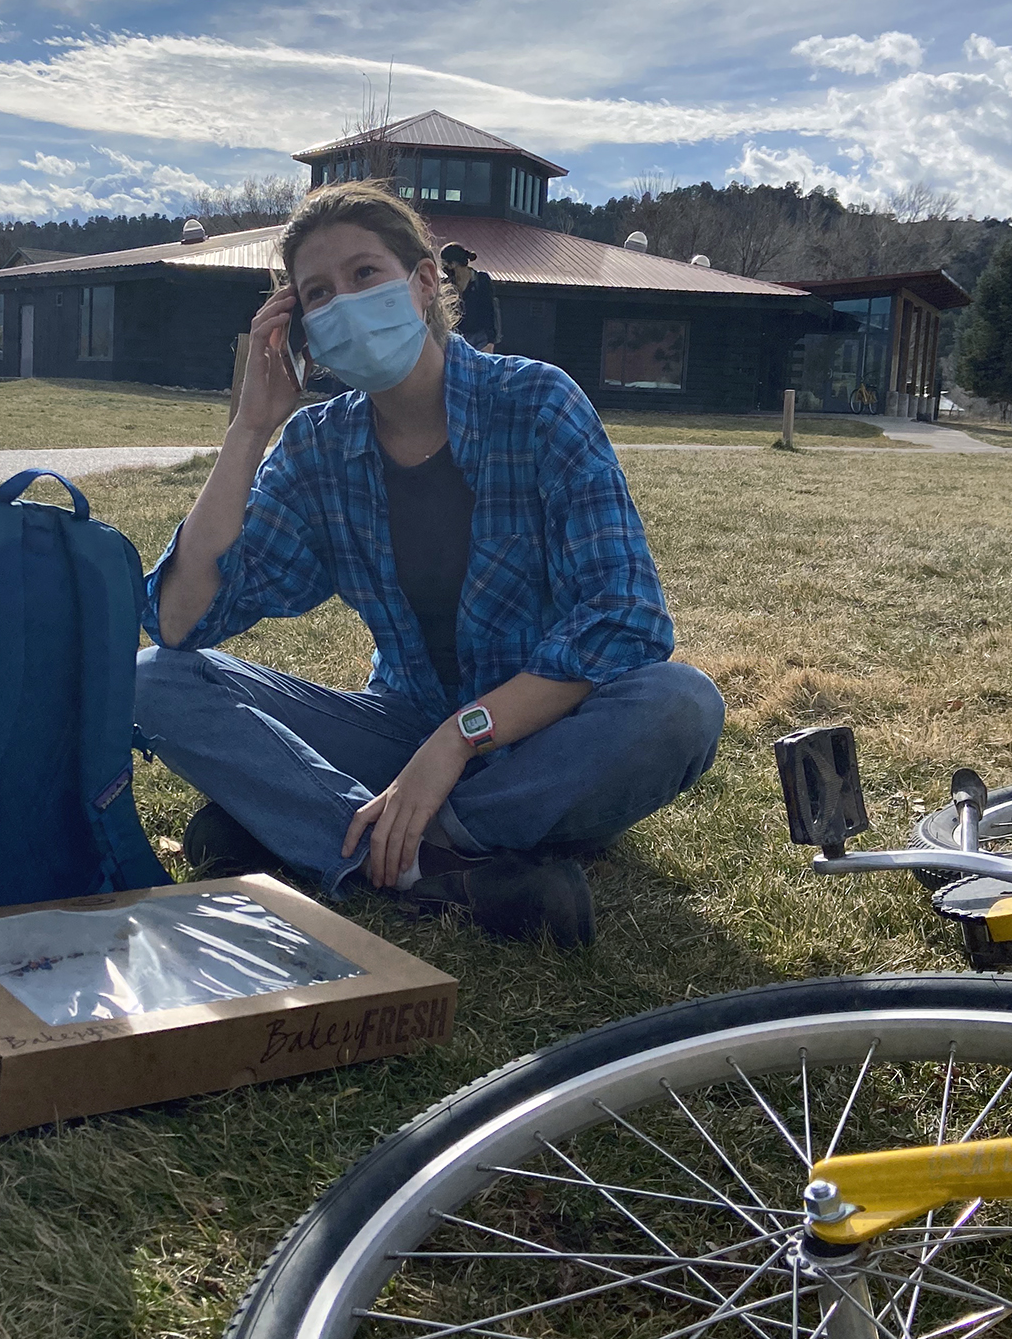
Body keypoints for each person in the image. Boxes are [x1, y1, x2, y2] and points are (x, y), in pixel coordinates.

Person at [134, 182, 724, 947]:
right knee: (152, 679)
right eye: (317, 293)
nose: (343, 301)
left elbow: (626, 620)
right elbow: (184, 620)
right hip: (399, 727)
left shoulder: (537, 404)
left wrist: (456, 741)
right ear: (300, 325)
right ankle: (437, 868)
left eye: (364, 275)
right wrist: (249, 429)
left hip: (544, 734)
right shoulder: (317, 448)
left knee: (680, 705)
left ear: (422, 283)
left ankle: (345, 830)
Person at [440, 241, 501, 352]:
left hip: (480, 339)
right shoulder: (446, 285)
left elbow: (490, 310)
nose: (443, 267)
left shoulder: (481, 280)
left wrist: (491, 341)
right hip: (456, 339)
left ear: (453, 263)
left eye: (445, 263)